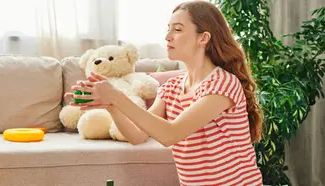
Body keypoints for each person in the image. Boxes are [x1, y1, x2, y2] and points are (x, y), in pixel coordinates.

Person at [66, 1, 263, 185]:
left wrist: (117, 96)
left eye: (177, 30)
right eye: (168, 29)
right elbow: (137, 136)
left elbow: (170, 134)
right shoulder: (172, 87)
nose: (167, 37)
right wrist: (112, 107)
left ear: (203, 38)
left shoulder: (222, 84)